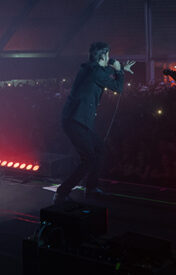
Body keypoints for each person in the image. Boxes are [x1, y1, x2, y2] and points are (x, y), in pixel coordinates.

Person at [53, 42, 134, 204]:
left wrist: (118, 69)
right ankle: (61, 193)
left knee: (100, 150)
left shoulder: (90, 69)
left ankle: (92, 188)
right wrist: (119, 70)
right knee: (88, 159)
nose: (110, 58)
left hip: (78, 120)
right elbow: (118, 88)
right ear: (103, 56)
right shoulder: (95, 72)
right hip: (76, 121)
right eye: (108, 55)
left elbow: (101, 72)